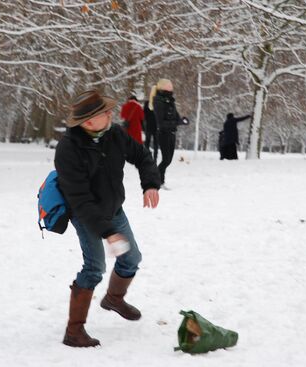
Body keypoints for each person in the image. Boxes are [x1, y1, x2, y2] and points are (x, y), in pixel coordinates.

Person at [54, 90, 161, 348]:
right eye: (104, 112)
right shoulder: (69, 149)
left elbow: (142, 155)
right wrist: (108, 232)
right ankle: (74, 331)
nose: (110, 114)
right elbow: (80, 200)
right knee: (94, 268)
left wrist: (150, 184)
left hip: (115, 209)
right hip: (86, 215)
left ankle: (114, 299)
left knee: (132, 258)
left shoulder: (114, 134)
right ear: (88, 122)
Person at [150, 78, 185, 188]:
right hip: (163, 134)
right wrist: (176, 122)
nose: (172, 88)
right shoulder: (159, 101)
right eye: (170, 86)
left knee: (168, 160)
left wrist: (182, 121)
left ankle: (159, 180)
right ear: (163, 88)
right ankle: (158, 181)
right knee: (166, 160)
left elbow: (176, 117)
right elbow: (161, 123)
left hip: (172, 133)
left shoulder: (170, 101)